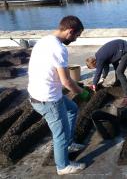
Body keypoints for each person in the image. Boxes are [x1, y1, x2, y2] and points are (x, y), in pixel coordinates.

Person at [27, 16, 89, 175]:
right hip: (48, 99)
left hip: (38, 92)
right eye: (76, 36)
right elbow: (66, 81)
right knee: (59, 134)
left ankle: (68, 144)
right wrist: (81, 92)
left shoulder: (44, 40)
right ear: (70, 31)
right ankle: (63, 166)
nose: (75, 39)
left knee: (72, 108)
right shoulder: (60, 49)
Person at [85, 39, 127, 107]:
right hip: (122, 48)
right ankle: (118, 82)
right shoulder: (100, 58)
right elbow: (106, 68)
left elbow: (98, 73)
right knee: (116, 64)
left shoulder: (100, 58)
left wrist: (94, 84)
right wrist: (103, 78)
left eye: (94, 67)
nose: (96, 68)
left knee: (119, 72)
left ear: (94, 63)